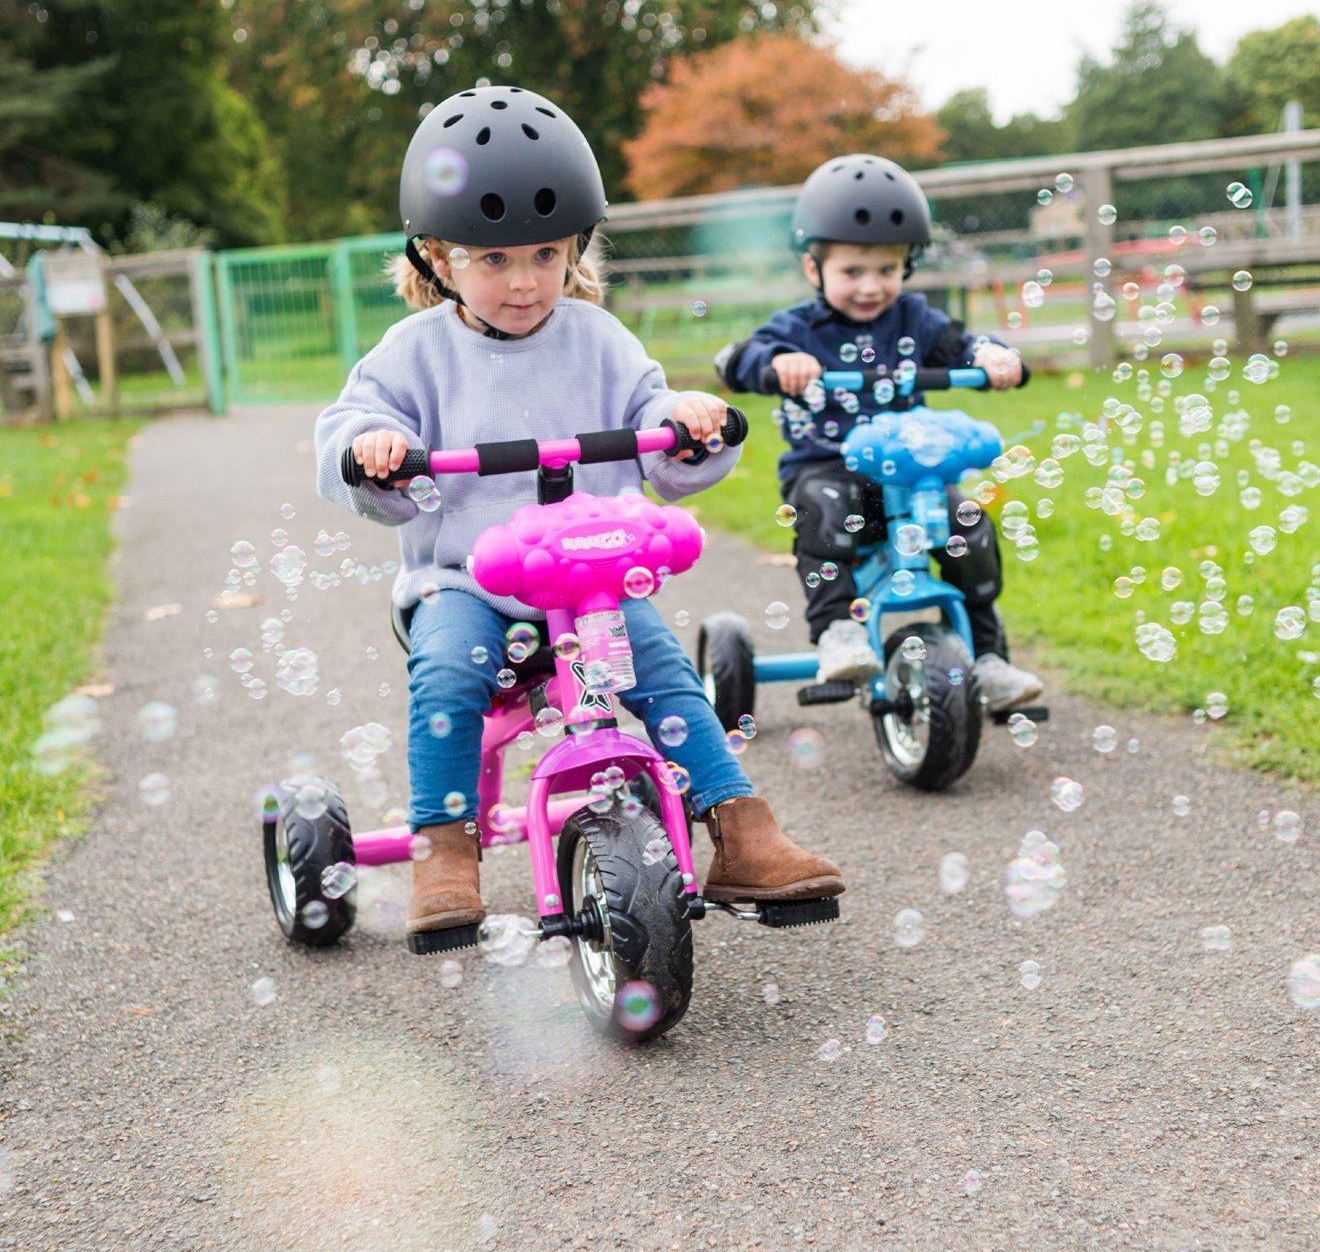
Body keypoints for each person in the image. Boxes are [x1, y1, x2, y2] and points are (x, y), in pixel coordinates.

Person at [314, 85, 843, 948]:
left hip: (594, 581)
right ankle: (444, 847)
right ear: (438, 258)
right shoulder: (413, 354)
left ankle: (742, 830)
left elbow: (655, 425)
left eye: (545, 255)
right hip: (468, 587)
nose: (524, 282)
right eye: (493, 260)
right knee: (447, 678)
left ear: (576, 249)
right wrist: (373, 444)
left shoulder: (598, 340)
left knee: (667, 674)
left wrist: (688, 419)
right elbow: (349, 428)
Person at [716, 154, 1045, 711]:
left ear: (907, 268)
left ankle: (987, 656)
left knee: (972, 527)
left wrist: (992, 356)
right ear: (813, 268)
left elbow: (964, 347)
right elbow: (738, 359)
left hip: (911, 472)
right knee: (820, 505)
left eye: (887, 270)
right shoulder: (798, 329)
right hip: (829, 468)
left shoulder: (916, 321)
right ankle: (838, 630)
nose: (871, 287)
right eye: (852, 272)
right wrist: (781, 364)